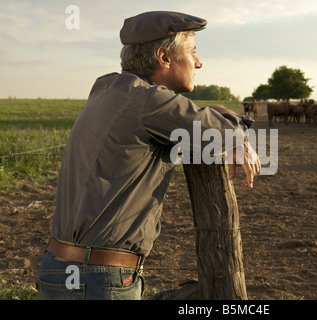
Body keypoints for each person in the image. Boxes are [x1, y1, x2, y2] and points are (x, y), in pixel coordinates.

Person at [37, 11, 260, 300]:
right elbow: (221, 130)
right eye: (193, 52)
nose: (199, 62)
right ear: (165, 57)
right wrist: (237, 133)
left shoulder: (109, 89)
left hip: (59, 269)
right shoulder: (148, 101)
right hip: (98, 279)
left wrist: (225, 122)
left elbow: (202, 119)